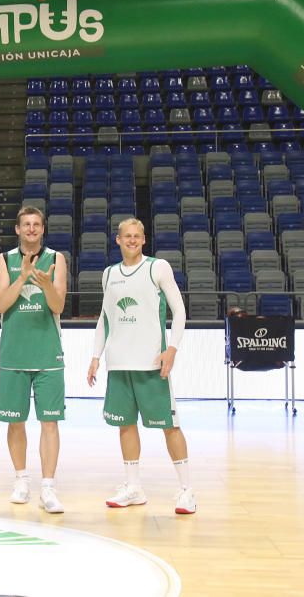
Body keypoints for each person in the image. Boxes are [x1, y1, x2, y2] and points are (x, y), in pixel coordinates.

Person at [86, 217, 196, 515]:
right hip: (119, 364)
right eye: (127, 236)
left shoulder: (156, 267)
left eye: (137, 236)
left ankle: (187, 491)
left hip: (152, 363)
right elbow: (104, 318)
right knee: (125, 424)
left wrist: (172, 348)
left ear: (144, 239)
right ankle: (133, 487)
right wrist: (96, 356)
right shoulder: (109, 274)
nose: (132, 240)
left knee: (170, 426)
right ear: (118, 240)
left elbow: (179, 310)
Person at [0, 206, 67, 514]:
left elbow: (59, 306)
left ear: (42, 229)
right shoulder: (4, 260)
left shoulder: (56, 259)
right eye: (27, 225)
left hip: (48, 352)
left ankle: (47, 487)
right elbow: (0, 304)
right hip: (14, 352)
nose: (32, 229)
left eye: (37, 224)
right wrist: (22, 277)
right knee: (15, 420)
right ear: (18, 229)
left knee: (49, 421)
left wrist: (46, 283)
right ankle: (21, 480)